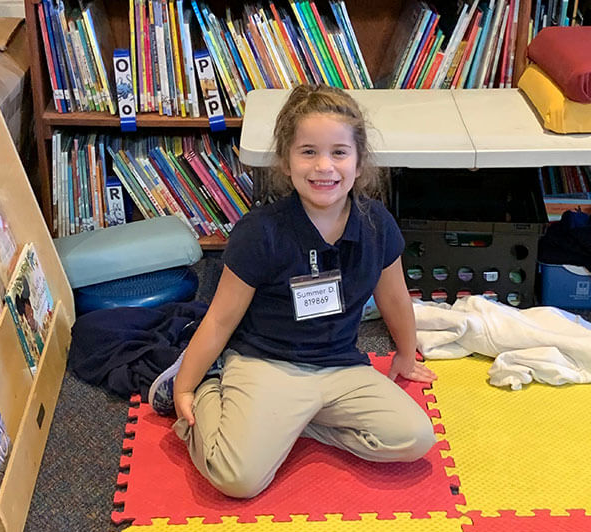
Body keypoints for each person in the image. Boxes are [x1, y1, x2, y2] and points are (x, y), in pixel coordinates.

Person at [149, 84, 438, 499]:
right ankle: (218, 384)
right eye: (308, 152)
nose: (324, 166)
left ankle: (293, 425)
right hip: (267, 362)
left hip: (340, 368)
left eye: (339, 152)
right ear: (286, 162)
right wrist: (185, 387)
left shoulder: (376, 223)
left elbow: (394, 297)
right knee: (239, 480)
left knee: (414, 439)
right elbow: (220, 318)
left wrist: (406, 355)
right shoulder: (260, 232)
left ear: (359, 163)